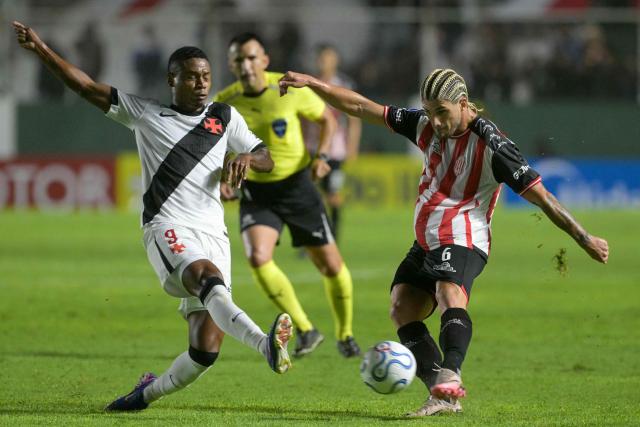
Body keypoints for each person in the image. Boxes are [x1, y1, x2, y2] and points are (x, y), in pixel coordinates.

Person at [279, 68, 609, 416]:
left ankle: (451, 373)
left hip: (466, 236)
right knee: (401, 308)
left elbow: (542, 197)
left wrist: (584, 238)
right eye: (430, 112)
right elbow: (363, 108)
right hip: (428, 239)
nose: (435, 121)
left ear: (463, 104)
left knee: (448, 291)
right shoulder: (424, 124)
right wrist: (315, 85)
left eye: (442, 113)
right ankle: (441, 395)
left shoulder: (494, 147)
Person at [13, 21, 293, 412]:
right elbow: (84, 86)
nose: (201, 84)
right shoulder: (144, 114)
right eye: (192, 77)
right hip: (168, 228)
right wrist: (41, 48)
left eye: (206, 77)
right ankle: (265, 343)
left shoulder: (224, 118)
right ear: (171, 80)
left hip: (214, 234)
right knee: (207, 279)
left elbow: (267, 156)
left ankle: (144, 394)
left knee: (205, 351)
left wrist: (247, 157)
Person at [213, 33, 361, 358]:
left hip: (297, 186)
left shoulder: (286, 88)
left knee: (331, 266)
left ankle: (346, 333)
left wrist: (321, 157)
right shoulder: (225, 103)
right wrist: (224, 178)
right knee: (257, 257)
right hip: (257, 191)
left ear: (264, 61)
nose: (246, 65)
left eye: (252, 57)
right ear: (231, 65)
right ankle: (307, 330)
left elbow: (327, 120)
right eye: (239, 59)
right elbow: (216, 147)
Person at [303, 44, 362, 242]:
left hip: (336, 151)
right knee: (309, 195)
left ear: (335, 61)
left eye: (328, 58)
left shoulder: (343, 84)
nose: (324, 62)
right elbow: (302, 117)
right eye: (322, 58)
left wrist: (352, 146)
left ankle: (332, 237)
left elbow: (353, 118)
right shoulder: (309, 83)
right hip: (312, 147)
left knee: (334, 196)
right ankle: (311, 239)